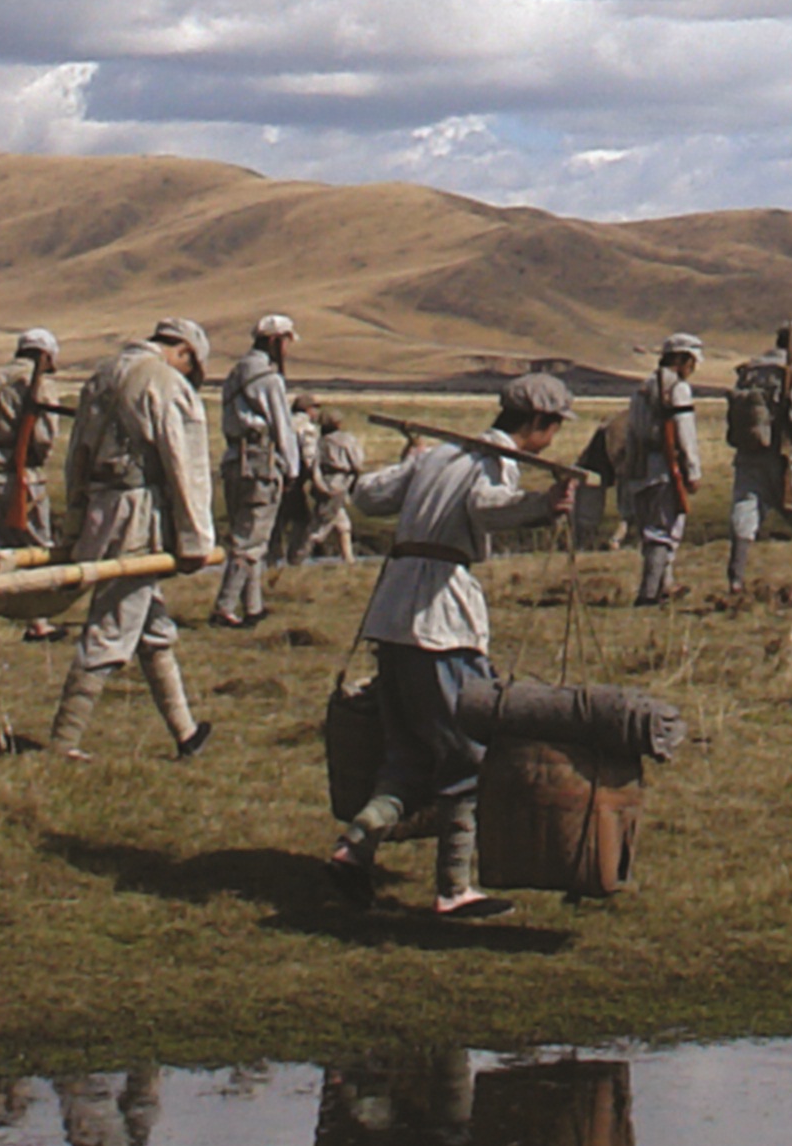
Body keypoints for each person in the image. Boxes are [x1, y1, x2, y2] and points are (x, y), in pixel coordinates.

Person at [337, 374, 573, 918]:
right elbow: (488, 509)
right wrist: (543, 504)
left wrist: (410, 461)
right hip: (439, 623)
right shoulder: (494, 461)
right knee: (468, 751)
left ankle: (354, 848)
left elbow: (368, 497)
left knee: (407, 753)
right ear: (538, 423)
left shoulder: (439, 453)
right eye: (554, 426)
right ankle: (453, 889)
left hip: (392, 615)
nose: (554, 437)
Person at [49, 318, 222, 757]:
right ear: (184, 352)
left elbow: (77, 457)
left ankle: (185, 733)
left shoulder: (103, 375)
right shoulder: (165, 383)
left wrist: (74, 522)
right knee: (112, 626)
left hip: (99, 509)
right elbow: (187, 467)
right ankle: (63, 742)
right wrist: (196, 540)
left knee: (152, 628)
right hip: (136, 516)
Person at [0, 336, 63, 642]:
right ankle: (39, 621)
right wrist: (36, 460)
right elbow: (43, 435)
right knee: (36, 546)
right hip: (20, 475)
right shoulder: (37, 384)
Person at [721, 327, 792, 601]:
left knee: (744, 514)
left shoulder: (749, 371)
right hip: (781, 457)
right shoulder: (791, 371)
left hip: (747, 456)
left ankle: (735, 581)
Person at [214, 318, 303, 630]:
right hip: (260, 464)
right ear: (277, 341)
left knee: (252, 536)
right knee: (250, 538)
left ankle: (252, 606)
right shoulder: (268, 378)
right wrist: (293, 468)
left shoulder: (235, 373)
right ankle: (225, 607)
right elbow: (282, 425)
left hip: (234, 460)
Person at [608, 344, 703, 608]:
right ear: (682, 359)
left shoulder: (641, 388)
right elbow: (685, 435)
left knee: (651, 530)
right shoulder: (677, 389)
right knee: (663, 532)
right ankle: (648, 594)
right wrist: (693, 471)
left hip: (639, 469)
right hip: (663, 469)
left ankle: (665, 586)